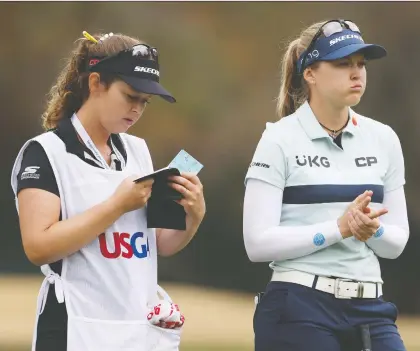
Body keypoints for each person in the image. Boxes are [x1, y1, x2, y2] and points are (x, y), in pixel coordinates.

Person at [10, 31, 205, 351]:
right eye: (130, 96)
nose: (137, 109)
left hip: (136, 330)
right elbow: (38, 246)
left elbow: (157, 245)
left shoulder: (138, 151)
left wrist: (193, 214)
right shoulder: (45, 153)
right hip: (73, 327)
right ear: (96, 83)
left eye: (145, 102)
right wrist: (116, 206)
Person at [243, 19, 409, 351]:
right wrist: (338, 228)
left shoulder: (384, 138)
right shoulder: (278, 140)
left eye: (361, 64)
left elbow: (396, 243)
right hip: (298, 305)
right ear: (310, 73)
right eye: (342, 63)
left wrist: (368, 229)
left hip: (369, 306)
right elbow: (257, 244)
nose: (356, 73)